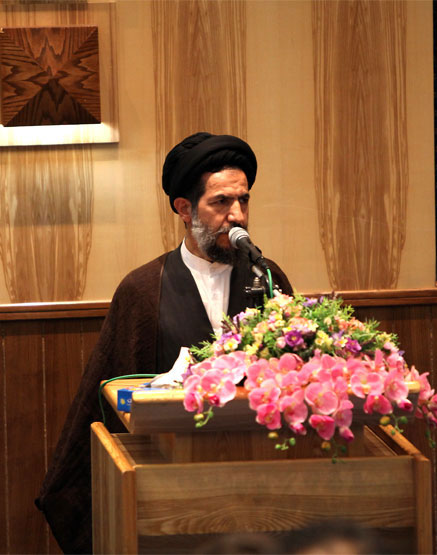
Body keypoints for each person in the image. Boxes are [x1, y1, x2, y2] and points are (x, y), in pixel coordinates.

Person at [35, 132, 293, 553]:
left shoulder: (267, 278)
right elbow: (107, 404)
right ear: (184, 208)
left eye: (243, 200)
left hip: (263, 492)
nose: (237, 215)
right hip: (169, 496)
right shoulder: (143, 289)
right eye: (221, 202)